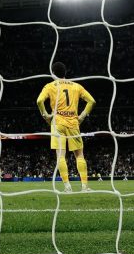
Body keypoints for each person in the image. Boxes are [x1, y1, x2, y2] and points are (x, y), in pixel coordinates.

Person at [36, 62, 95, 193]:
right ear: (65, 73)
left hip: (57, 123)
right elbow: (92, 101)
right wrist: (82, 116)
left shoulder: (50, 86)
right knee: (79, 155)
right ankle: (85, 186)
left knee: (60, 156)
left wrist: (45, 115)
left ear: (53, 73)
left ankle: (67, 187)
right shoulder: (76, 86)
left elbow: (39, 101)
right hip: (73, 122)